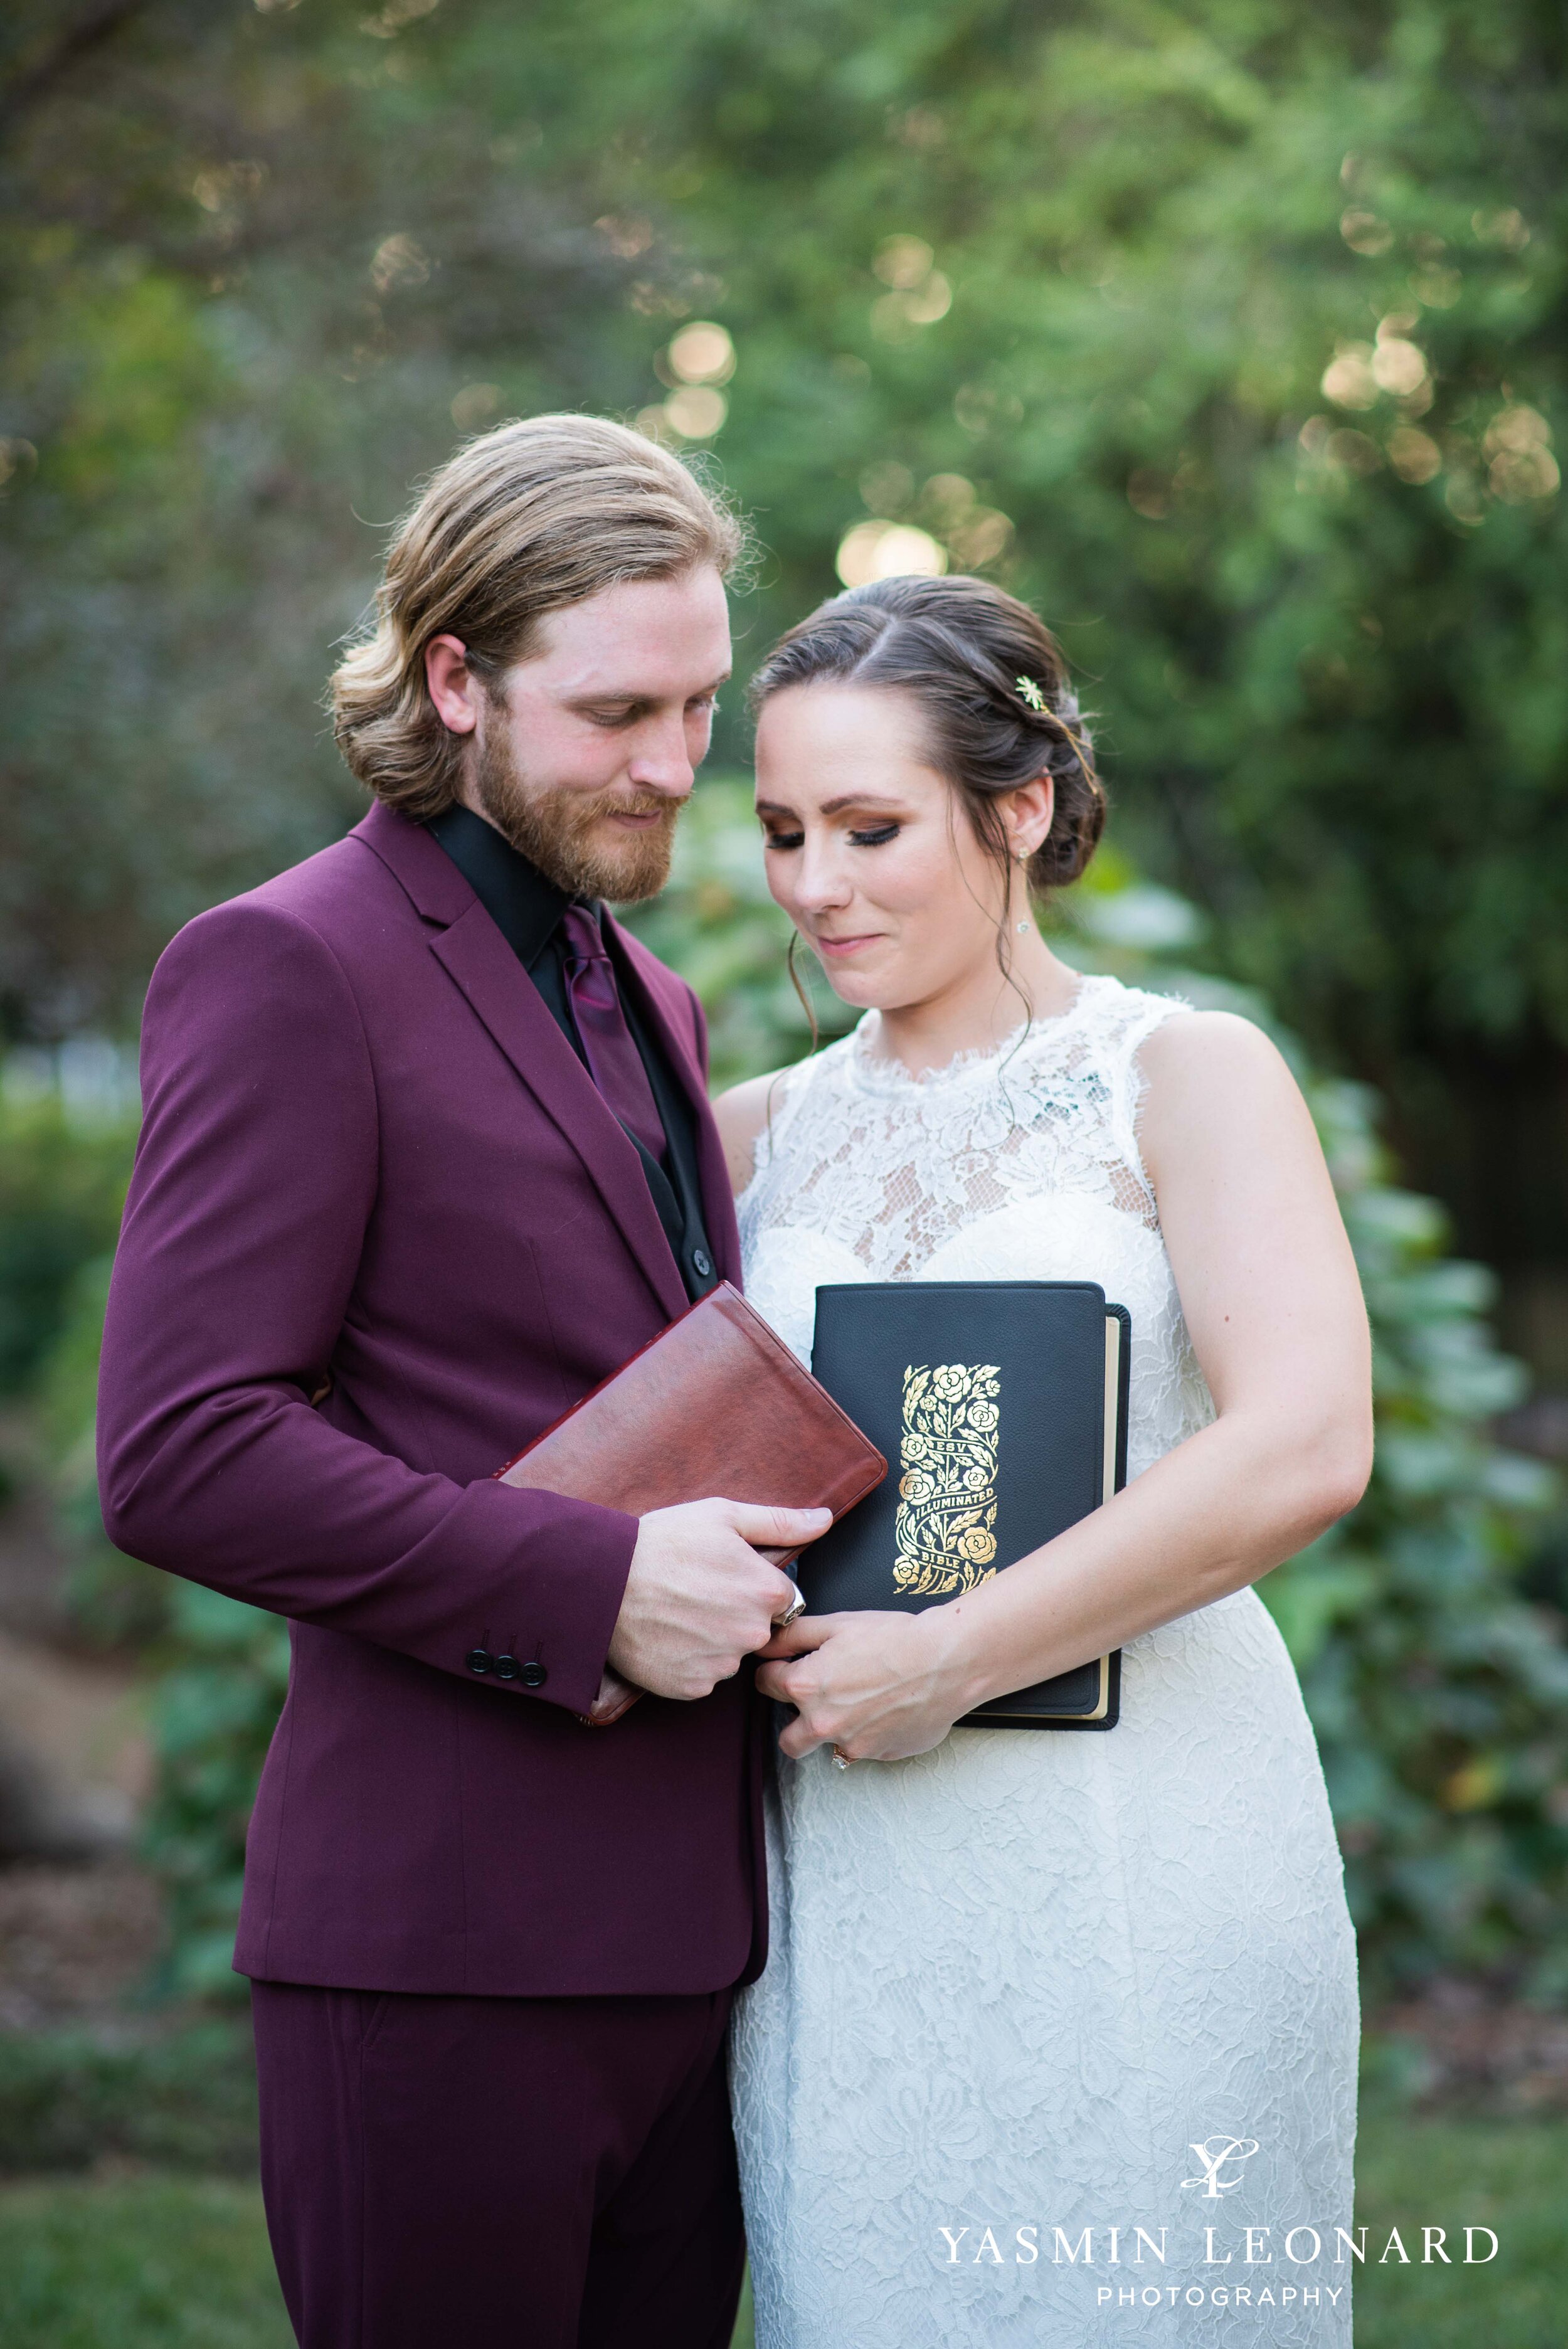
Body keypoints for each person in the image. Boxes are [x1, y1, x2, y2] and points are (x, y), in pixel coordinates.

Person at [95, 413, 829, 2349]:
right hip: (437, 1958)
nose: (673, 764)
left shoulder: (646, 992)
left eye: (695, 703)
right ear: (453, 681)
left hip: (692, 1954)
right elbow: (181, 1448)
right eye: (613, 712)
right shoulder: (284, 965)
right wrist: (590, 1587)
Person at [713, 574, 1373, 2349]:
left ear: (1017, 809)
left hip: (1147, 1841)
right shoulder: (746, 1136)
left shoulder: (1184, 1075)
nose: (814, 884)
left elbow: (1303, 1441)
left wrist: (946, 1653)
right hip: (848, 1876)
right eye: (781, 830)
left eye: (869, 826)